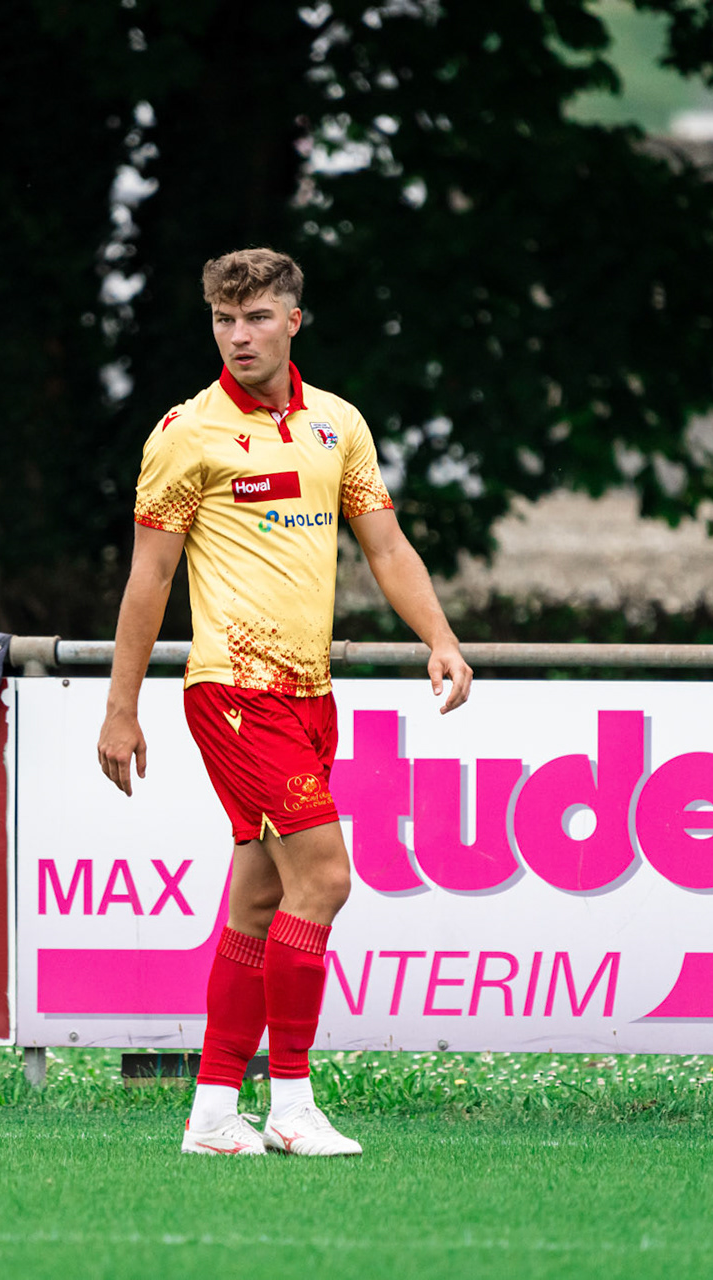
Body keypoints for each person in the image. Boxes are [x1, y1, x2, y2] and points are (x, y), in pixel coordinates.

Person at [96, 249, 472, 1157]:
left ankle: (214, 1111)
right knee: (327, 879)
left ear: (293, 320)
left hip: (308, 694)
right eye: (225, 321)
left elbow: (385, 547)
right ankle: (292, 1103)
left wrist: (441, 638)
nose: (239, 336)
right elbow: (148, 580)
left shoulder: (336, 425)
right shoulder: (186, 433)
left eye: (257, 317)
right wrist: (120, 707)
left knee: (260, 902)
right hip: (233, 691)